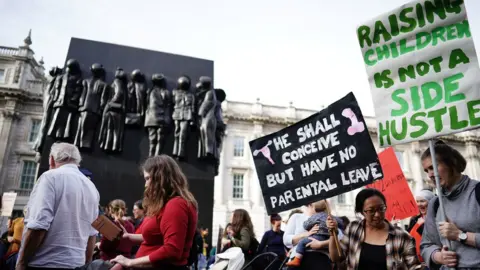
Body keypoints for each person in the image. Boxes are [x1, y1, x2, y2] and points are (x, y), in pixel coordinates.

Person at [16, 142, 100, 270]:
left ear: (51, 159)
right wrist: (87, 264)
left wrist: (21, 262)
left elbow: (39, 226)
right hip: (77, 264)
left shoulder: (50, 177)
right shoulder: (91, 187)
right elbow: (92, 234)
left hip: (45, 263)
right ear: (77, 162)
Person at [111, 155, 198, 269]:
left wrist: (130, 262)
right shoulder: (167, 204)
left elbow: (172, 250)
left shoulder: (176, 204)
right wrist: (129, 237)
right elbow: (156, 237)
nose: (146, 185)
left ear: (160, 178)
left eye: (148, 179)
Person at [326, 188, 422, 270]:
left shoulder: (402, 237)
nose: (377, 214)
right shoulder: (353, 229)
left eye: (381, 208)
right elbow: (336, 258)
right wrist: (332, 234)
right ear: (361, 211)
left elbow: (414, 267)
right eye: (371, 210)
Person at [420, 140, 480, 269]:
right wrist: (438, 256)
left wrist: (461, 235)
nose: (430, 174)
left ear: (452, 164)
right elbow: (426, 245)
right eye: (426, 170)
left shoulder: (477, 191)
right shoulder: (435, 203)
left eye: (433, 167)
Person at [283, 202, 339, 270]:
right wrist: (306, 234)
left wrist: (321, 244)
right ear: (310, 204)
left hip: (321, 258)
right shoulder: (296, 217)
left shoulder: (330, 219)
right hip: (298, 259)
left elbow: (338, 240)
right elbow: (286, 240)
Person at [407, 189, 435, 263]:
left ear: (430, 202)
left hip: (431, 261)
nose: (419, 204)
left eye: (422, 201)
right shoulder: (414, 219)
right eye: (417, 201)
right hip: (416, 262)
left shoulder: (437, 218)